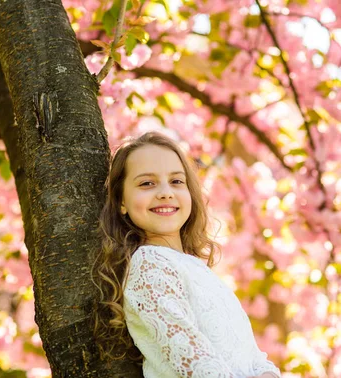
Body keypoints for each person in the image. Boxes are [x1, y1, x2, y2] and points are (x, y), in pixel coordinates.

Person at [92, 131, 281, 378]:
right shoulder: (149, 264)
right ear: (121, 202)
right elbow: (201, 367)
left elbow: (253, 357)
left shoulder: (195, 268)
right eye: (147, 183)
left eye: (176, 181)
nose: (165, 192)